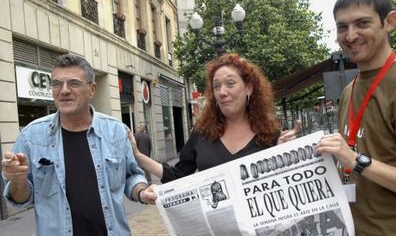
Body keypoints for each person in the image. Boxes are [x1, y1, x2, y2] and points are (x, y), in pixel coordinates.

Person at [1, 54, 155, 235]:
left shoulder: (116, 132)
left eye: (73, 83)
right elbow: (20, 199)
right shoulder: (31, 136)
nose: (64, 90)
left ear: (92, 89)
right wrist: (18, 181)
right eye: (57, 84)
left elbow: (131, 175)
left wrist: (142, 192)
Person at [316, 0, 396, 235]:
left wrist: (355, 161)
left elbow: (355, 159)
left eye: (362, 23)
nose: (350, 36)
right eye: (342, 27)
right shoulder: (350, 89)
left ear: (389, 21)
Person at [130, 53, 300, 189]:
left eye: (230, 84)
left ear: (248, 87)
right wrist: (139, 156)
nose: (222, 92)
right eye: (217, 86)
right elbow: (179, 175)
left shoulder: (271, 136)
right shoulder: (202, 134)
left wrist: (289, 152)